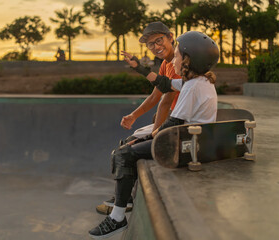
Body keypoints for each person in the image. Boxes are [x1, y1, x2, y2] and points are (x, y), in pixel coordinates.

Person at [88, 30, 219, 239]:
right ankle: (122, 204)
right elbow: (164, 84)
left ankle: (117, 218)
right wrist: (139, 66)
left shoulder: (193, 87)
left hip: (184, 144)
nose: (173, 61)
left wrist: (148, 138)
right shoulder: (197, 82)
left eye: (176, 56)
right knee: (128, 148)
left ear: (187, 60)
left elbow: (172, 124)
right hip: (190, 140)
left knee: (124, 154)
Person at [95, 21, 180, 215]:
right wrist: (134, 115)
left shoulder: (177, 62)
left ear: (170, 37)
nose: (156, 47)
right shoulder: (166, 65)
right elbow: (155, 96)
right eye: (151, 44)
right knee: (125, 144)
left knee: (127, 150)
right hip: (168, 121)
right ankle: (123, 198)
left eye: (159, 40)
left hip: (176, 124)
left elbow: (165, 102)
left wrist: (155, 134)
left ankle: (123, 202)